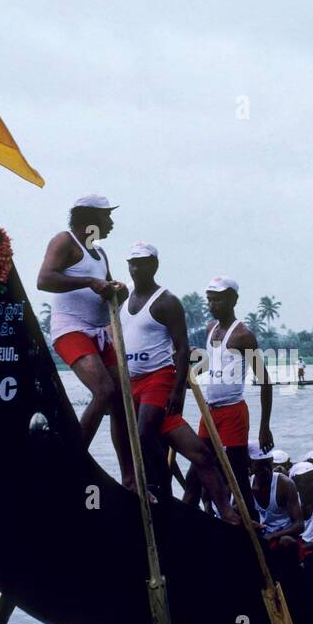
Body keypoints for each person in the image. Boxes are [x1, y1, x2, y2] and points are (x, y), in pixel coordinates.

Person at [118, 242, 237, 520]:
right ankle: (222, 509)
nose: (136, 269)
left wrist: (177, 391)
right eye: (132, 263)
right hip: (131, 382)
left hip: (158, 379)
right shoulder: (123, 300)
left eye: (143, 263)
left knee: (144, 433)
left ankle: (159, 490)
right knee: (199, 454)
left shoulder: (167, 301)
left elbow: (182, 348)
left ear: (154, 265)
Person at [37, 194, 133, 488]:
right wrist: (90, 282)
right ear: (90, 218)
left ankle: (131, 479)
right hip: (71, 330)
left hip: (99, 333)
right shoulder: (64, 241)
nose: (112, 224)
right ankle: (72, 460)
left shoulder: (100, 254)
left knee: (122, 402)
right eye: (108, 217)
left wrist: (118, 290)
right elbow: (44, 279)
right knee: (104, 391)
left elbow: (110, 292)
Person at [185, 275, 273, 503]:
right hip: (209, 413)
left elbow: (265, 381)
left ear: (233, 300)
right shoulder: (210, 328)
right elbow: (213, 361)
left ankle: (251, 525)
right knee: (195, 474)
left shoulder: (243, 336)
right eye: (210, 300)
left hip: (234, 413)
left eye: (218, 300)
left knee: (238, 478)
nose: (213, 305)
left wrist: (265, 427)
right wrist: (193, 374)